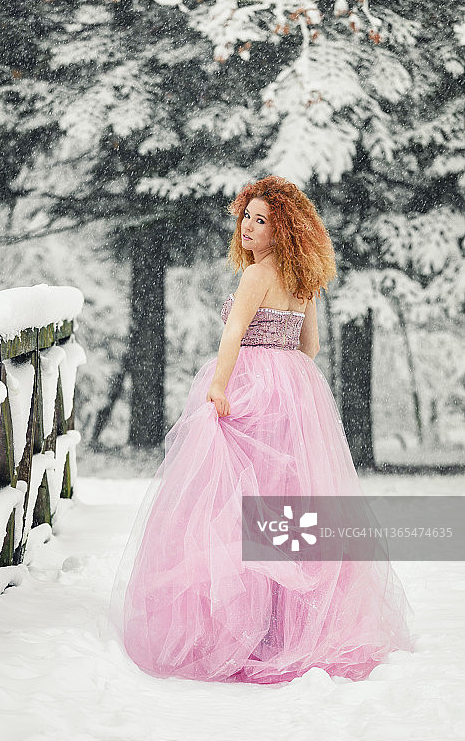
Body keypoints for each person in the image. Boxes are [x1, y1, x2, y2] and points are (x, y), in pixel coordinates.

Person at [107, 175, 415, 684]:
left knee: (235, 503)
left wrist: (221, 386)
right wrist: (285, 372)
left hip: (250, 381)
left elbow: (233, 332)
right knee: (288, 502)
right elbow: (311, 348)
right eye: (246, 217)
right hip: (295, 387)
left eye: (261, 221)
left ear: (282, 229)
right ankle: (287, 627)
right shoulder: (304, 280)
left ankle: (248, 629)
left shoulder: (257, 277)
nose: (248, 228)